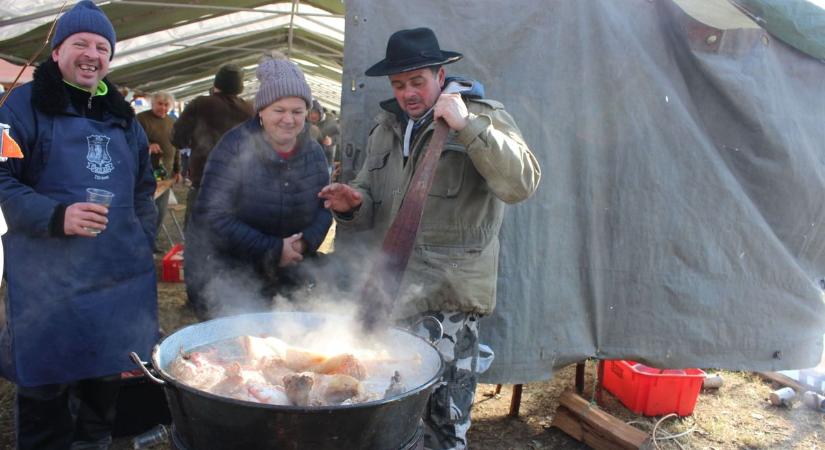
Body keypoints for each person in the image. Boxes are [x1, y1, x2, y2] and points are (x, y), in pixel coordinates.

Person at [318, 27, 541, 450]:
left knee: (446, 420)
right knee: (392, 411)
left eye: (417, 81)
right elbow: (370, 196)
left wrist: (468, 126)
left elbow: (521, 184)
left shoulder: (482, 115)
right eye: (399, 84)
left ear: (440, 75)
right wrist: (352, 203)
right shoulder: (386, 128)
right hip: (391, 295)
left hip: (448, 300)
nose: (407, 93)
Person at [0, 1, 158, 449]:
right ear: (56, 51)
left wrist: (141, 236)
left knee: (104, 384)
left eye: (102, 46)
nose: (92, 54)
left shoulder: (123, 115)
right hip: (47, 279)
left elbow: (144, 187)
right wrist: (56, 215)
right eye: (80, 43)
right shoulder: (19, 106)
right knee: (47, 389)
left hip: (114, 275)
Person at [185, 51, 332, 319]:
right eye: (279, 110)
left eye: (297, 111)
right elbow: (212, 215)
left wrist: (303, 244)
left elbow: (324, 206)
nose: (289, 119)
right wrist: (274, 249)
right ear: (261, 111)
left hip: (292, 276)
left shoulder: (314, 152)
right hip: (237, 275)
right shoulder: (233, 147)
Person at [171, 64, 254, 228]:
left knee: (198, 238)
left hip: (204, 183)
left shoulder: (200, 104)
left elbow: (176, 138)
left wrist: (192, 142)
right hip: (239, 186)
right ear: (240, 87)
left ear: (216, 84)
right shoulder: (250, 110)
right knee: (231, 238)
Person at [137, 91, 180, 239]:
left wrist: (177, 170)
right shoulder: (141, 119)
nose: (163, 107)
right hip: (146, 174)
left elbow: (176, 148)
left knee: (161, 211)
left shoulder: (172, 122)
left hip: (166, 174)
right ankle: (142, 241)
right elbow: (130, 141)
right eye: (159, 104)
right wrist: (148, 145)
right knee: (148, 210)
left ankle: (152, 242)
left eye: (166, 104)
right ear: (153, 104)